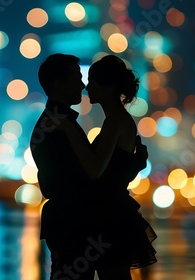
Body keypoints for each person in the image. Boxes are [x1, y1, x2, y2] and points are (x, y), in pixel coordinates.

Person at [30, 53, 149, 280]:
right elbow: (88, 176)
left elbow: (95, 173)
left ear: (108, 87)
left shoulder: (70, 124)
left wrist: (133, 165)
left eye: (90, 81)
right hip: (77, 227)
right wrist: (134, 165)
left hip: (94, 225)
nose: (84, 85)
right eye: (78, 78)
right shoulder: (56, 125)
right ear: (58, 83)